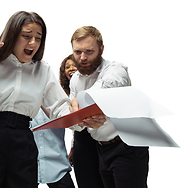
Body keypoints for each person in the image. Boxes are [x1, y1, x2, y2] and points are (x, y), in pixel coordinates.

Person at [0, 11, 106, 188]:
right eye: (26, 36)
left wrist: (83, 118)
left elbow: (59, 108)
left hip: (23, 140)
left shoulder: (42, 70)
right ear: (12, 35)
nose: (33, 43)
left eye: (38, 38)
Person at [69, 26, 149, 188]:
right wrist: (80, 119)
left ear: (101, 49)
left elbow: (110, 84)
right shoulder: (75, 80)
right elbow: (74, 120)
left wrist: (84, 99)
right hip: (101, 149)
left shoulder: (115, 69)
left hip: (127, 146)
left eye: (89, 51)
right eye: (78, 52)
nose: (83, 57)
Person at [60, 54, 105, 188]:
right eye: (67, 67)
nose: (71, 68)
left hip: (98, 139)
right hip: (81, 141)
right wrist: (73, 147)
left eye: (74, 65)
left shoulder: (95, 85)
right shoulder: (64, 95)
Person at [31, 105, 76, 188]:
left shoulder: (56, 100)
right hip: (27, 165)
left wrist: (73, 146)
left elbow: (74, 123)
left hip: (58, 165)